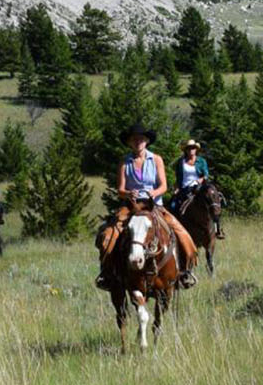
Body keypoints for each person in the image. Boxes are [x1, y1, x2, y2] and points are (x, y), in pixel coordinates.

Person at [96, 124, 199, 289]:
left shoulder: (156, 159)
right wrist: (128, 194)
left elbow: (164, 185)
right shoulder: (125, 162)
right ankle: (107, 273)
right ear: (129, 142)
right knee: (109, 235)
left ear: (147, 141)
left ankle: (184, 272)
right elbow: (120, 189)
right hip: (131, 207)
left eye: (141, 139)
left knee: (182, 234)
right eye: (134, 139)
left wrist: (154, 192)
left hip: (154, 206)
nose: (138, 142)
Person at [170, 139, 223, 239]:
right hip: (184, 188)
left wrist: (201, 179)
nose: (191, 150)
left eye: (193, 148)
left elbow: (206, 174)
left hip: (198, 187)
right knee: (173, 205)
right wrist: (176, 187)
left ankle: (218, 228)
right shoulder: (181, 162)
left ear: (196, 150)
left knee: (214, 201)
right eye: (189, 148)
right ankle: (174, 229)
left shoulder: (201, 161)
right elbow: (178, 177)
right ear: (185, 150)